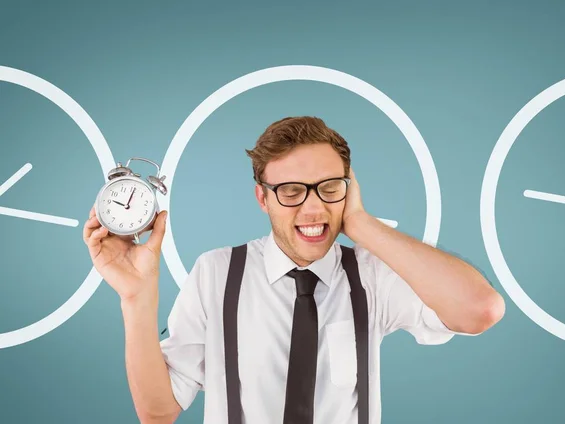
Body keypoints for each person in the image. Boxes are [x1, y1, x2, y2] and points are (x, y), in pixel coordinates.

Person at [83, 116, 505, 424]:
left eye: (329, 187)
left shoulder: (372, 274)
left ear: (349, 188)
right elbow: (158, 411)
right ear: (262, 199)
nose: (313, 207)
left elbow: (479, 310)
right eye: (290, 191)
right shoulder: (216, 274)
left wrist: (360, 225)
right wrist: (136, 299)